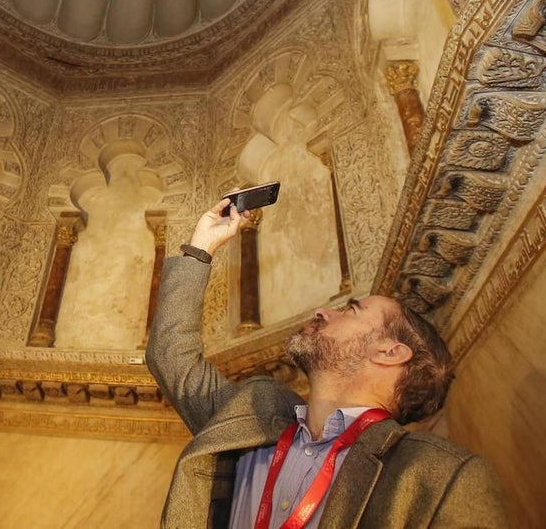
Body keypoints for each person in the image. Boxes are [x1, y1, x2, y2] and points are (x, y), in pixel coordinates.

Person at [146, 199, 508, 528]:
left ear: (390, 351)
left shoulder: (440, 476)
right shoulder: (250, 416)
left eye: (352, 310)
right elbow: (170, 355)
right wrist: (200, 249)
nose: (322, 311)